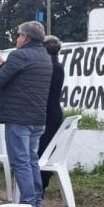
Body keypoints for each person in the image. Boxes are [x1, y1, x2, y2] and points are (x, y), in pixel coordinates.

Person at [0, 20, 52, 207]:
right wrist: (4, 64)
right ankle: (36, 202)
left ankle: (27, 203)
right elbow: (22, 77)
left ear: (25, 37)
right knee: (31, 160)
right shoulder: (44, 57)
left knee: (20, 162)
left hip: (18, 119)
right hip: (37, 118)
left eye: (19, 35)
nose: (17, 38)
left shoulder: (19, 55)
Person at [39, 35, 65, 195]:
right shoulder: (57, 66)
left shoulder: (50, 68)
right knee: (45, 151)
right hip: (53, 113)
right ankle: (41, 185)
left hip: (47, 114)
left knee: (42, 152)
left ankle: (40, 187)